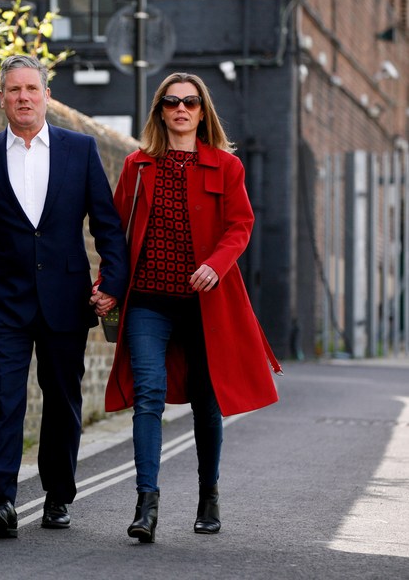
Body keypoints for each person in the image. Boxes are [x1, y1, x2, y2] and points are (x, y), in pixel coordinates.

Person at [0, 55, 128, 538]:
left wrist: (112, 284)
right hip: (2, 302)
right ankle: (2, 500)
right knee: (4, 398)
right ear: (1, 97)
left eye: (31, 89)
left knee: (62, 401)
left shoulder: (79, 150)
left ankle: (58, 496)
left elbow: (107, 225)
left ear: (46, 96)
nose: (23, 97)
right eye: (14, 90)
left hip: (66, 299)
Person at [92, 72, 282, 543]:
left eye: (190, 102)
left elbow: (240, 225)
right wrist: (107, 285)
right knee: (148, 396)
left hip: (205, 304)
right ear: (160, 111)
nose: (181, 109)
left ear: (202, 112)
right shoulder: (137, 166)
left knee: (206, 401)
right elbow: (115, 234)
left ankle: (208, 496)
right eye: (172, 102)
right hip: (147, 302)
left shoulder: (227, 166)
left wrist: (216, 265)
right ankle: (146, 505)